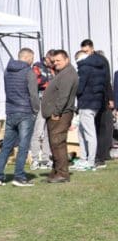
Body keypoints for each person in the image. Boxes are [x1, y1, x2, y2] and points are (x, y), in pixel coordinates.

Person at [0, 48, 40, 187]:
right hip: (25, 112)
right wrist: (36, 110)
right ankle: (19, 176)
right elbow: (33, 94)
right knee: (23, 146)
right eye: (32, 58)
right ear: (28, 57)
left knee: (6, 146)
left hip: (11, 111)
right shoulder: (29, 72)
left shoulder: (7, 71)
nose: (32, 61)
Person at [41, 50, 79, 183]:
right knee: (55, 144)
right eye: (54, 61)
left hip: (61, 115)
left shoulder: (68, 74)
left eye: (58, 60)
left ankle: (62, 173)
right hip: (57, 114)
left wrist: (56, 112)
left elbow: (64, 96)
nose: (55, 63)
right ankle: (56, 171)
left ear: (67, 59)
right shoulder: (63, 73)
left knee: (58, 143)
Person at [79, 40, 114, 168]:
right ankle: (97, 155)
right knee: (96, 127)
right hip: (96, 98)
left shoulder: (99, 61)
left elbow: (106, 80)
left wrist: (110, 98)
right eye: (83, 51)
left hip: (100, 98)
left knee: (101, 127)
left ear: (92, 48)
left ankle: (100, 156)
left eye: (86, 51)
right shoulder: (93, 61)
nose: (85, 54)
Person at [72, 48, 106, 172]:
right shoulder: (98, 67)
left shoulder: (84, 68)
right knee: (81, 132)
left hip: (86, 103)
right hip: (95, 103)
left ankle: (90, 161)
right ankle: (84, 158)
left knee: (89, 133)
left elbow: (80, 88)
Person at [30, 50, 55, 170]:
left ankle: (46, 158)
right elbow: (36, 82)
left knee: (48, 131)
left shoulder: (54, 69)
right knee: (38, 131)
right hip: (40, 102)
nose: (53, 63)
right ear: (47, 58)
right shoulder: (37, 67)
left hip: (51, 102)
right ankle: (35, 159)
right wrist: (49, 83)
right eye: (52, 60)